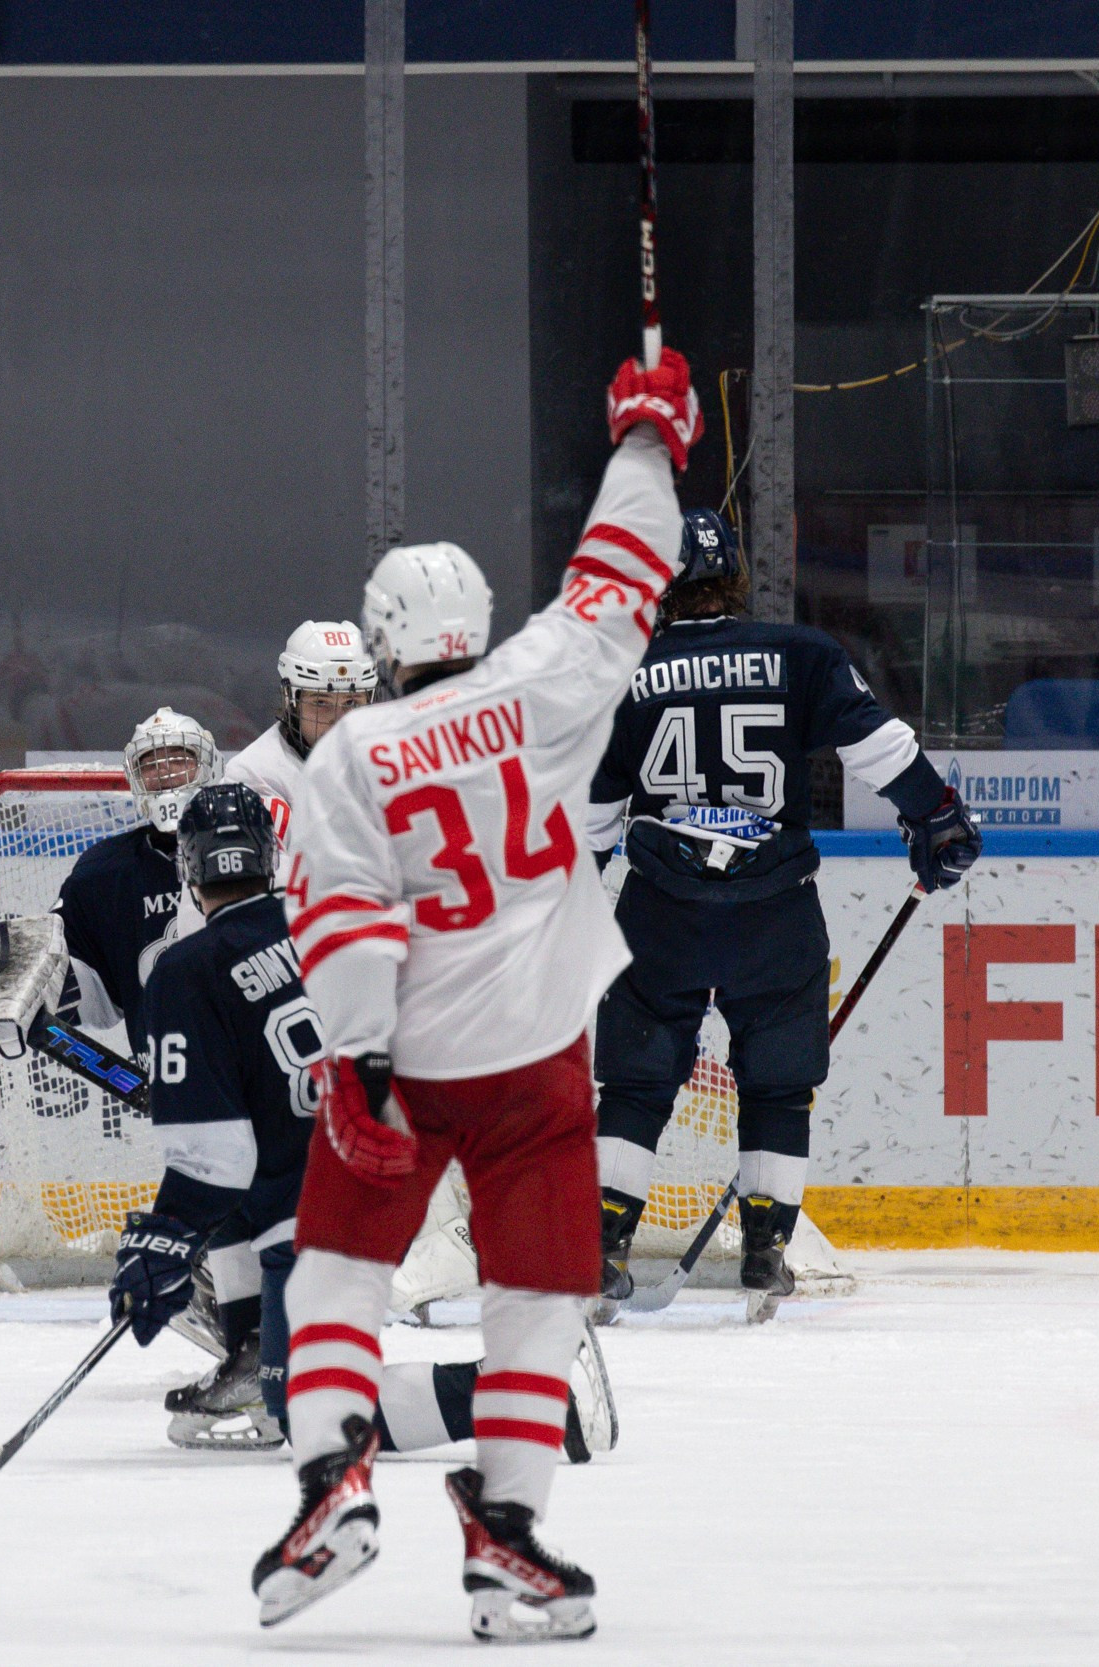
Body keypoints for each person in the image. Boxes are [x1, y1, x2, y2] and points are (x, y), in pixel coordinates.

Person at [251, 348, 698, 1642]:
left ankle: (332, 1479)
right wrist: (644, 443)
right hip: (540, 1055)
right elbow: (620, 573)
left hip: (410, 1052)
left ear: (381, 644)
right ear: (479, 618)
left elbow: (343, 913)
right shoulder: (546, 681)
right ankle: (510, 1537)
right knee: (537, 1296)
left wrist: (365, 1061)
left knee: (333, 1274)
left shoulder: (354, 751)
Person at [114, 784, 605, 1462]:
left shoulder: (184, 970)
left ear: (189, 870)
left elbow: (211, 1154)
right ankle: (262, 1352)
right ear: (270, 854)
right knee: (236, 1212)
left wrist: (164, 1243)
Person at [585, 508, 979, 1322]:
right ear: (736, 575)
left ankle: (601, 1247)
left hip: (662, 910)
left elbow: (592, 818)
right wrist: (937, 815)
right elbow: (879, 747)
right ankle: (765, 1252)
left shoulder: (621, 673)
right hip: (774, 911)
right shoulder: (803, 654)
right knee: (778, 1083)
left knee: (636, 1077)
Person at [50, 707, 221, 1056]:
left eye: (178, 758)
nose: (164, 772)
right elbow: (93, 1000)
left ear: (208, 766)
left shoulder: (251, 845)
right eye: (150, 764)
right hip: (168, 1086)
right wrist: (30, 990)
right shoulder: (104, 873)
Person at [221, 620, 377, 842]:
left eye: (351, 702)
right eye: (321, 703)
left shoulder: (391, 761)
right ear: (291, 701)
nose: (339, 720)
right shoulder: (255, 776)